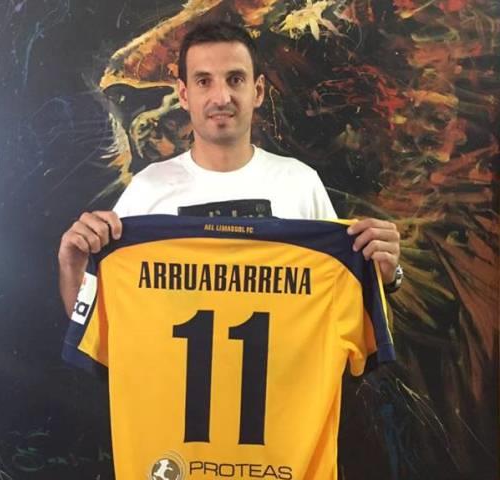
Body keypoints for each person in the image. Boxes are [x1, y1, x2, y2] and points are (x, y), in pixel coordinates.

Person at [58, 21, 401, 317]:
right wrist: (72, 264)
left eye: (235, 79)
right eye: (203, 81)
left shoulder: (300, 183)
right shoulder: (146, 190)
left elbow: (340, 308)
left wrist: (387, 276)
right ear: (184, 95)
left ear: (258, 91)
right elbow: (97, 328)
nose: (221, 97)